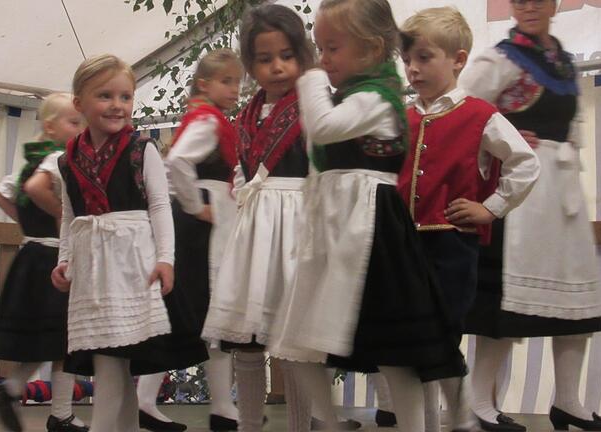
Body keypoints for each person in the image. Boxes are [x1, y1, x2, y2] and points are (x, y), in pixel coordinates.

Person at [269, 1, 466, 430]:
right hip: (332, 226)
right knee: (296, 339)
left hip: (371, 228)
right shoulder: (347, 94)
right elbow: (321, 157)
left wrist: (311, 80)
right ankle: (326, 419)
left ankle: (414, 424)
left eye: (332, 48)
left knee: (396, 348)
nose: (322, 60)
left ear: (372, 49)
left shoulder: (378, 97)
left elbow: (323, 127)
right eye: (319, 48)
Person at [459, 0, 601, 430]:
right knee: (508, 302)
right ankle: (477, 401)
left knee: (575, 298)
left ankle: (568, 400)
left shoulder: (564, 61)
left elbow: (573, 125)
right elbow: (462, 113)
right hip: (521, 192)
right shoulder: (500, 58)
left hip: (562, 192)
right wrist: (503, 137)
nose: (529, 6)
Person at [398, 7, 540, 431]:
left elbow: (525, 164)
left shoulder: (480, 115)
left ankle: (459, 418)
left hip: (450, 246)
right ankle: (421, 421)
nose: (413, 68)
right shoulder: (404, 118)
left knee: (442, 334)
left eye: (425, 58)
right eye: (408, 60)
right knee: (410, 336)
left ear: (457, 60)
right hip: (405, 246)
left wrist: (490, 208)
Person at [51, 54, 208, 431]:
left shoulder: (142, 150)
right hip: (93, 272)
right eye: (105, 96)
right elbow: (70, 216)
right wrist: (65, 259)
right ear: (79, 103)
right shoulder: (67, 160)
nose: (117, 106)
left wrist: (166, 260)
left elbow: (160, 206)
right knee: (109, 361)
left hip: (133, 267)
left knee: (113, 362)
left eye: (125, 97)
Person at [198, 5, 315, 431]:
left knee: (295, 347)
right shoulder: (245, 117)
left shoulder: (313, 109)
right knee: (246, 343)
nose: (278, 67)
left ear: (302, 54)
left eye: (286, 55)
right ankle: (249, 424)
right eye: (265, 59)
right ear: (250, 64)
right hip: (252, 237)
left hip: (296, 232)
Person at [138, 48, 243, 432]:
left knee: (190, 315)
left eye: (237, 81)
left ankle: (150, 401)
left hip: (202, 223)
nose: (235, 89)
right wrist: (197, 207)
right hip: (203, 228)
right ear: (205, 84)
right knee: (213, 315)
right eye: (227, 81)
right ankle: (221, 407)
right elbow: (177, 162)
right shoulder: (208, 121)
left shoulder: (205, 119)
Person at [0, 93, 87, 432]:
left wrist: (26, 223)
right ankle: (60, 414)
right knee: (64, 339)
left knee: (48, 338)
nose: (80, 129)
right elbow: (33, 188)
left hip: (32, 253)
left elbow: (4, 193)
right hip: (53, 256)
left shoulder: (33, 158)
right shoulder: (57, 159)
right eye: (74, 122)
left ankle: (13, 389)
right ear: (50, 126)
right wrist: (60, 215)